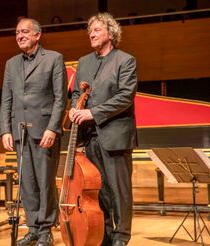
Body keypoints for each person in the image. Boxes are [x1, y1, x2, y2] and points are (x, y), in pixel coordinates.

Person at [69, 12, 138, 246]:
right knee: (98, 191)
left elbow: (125, 96)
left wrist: (92, 112)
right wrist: (74, 108)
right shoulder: (85, 62)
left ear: (111, 33)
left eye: (97, 29)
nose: (92, 34)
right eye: (90, 30)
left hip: (115, 136)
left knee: (119, 190)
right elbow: (77, 92)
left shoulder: (125, 60)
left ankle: (122, 235)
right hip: (91, 138)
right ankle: (106, 233)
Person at [0, 18, 67, 246]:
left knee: (45, 181)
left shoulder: (54, 59)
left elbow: (61, 98)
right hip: (20, 132)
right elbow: (6, 100)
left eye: (25, 32)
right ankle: (33, 227)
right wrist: (5, 130)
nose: (20, 35)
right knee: (26, 183)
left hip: (44, 132)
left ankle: (46, 228)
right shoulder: (11, 63)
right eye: (17, 32)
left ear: (38, 35)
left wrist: (53, 128)